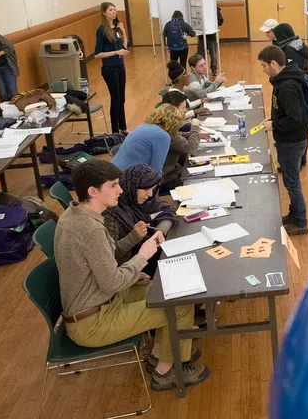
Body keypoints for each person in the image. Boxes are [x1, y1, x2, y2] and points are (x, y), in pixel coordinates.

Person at [54, 159, 209, 391]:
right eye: (114, 185)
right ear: (93, 191)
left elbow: (105, 258)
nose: (120, 190)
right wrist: (142, 256)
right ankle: (168, 371)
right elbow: (111, 282)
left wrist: (134, 250)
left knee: (166, 288)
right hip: (93, 322)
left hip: (99, 302)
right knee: (180, 306)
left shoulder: (76, 214)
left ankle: (160, 354)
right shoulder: (92, 229)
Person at [258, 45, 308, 235]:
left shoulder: (286, 86)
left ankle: (301, 221)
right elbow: (286, 112)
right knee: (290, 180)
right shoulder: (283, 81)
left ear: (273, 63)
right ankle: (294, 214)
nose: (263, 69)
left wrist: (275, 126)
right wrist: (274, 120)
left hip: (292, 141)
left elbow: (295, 118)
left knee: (292, 182)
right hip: (290, 139)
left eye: (264, 66)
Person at [104, 163, 177, 276]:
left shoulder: (140, 200)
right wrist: (133, 237)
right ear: (132, 187)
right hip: (129, 264)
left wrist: (160, 230)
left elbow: (167, 212)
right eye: (146, 189)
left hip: (146, 252)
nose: (150, 194)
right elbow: (110, 255)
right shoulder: (111, 214)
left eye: (152, 189)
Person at [272, 22, 308, 167]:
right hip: (304, 87)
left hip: (293, 90)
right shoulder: (300, 44)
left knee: (294, 120)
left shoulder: (289, 51)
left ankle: (297, 159)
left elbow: (287, 72)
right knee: (303, 122)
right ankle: (303, 157)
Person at [112, 104, 180, 173]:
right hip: (126, 177)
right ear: (174, 123)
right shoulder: (163, 136)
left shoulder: (143, 126)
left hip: (113, 171)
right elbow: (156, 169)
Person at [94, 2, 129, 134]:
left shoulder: (116, 29)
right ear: (104, 13)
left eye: (115, 10)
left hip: (120, 66)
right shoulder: (102, 30)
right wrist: (115, 52)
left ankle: (123, 128)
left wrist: (123, 32)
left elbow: (124, 47)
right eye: (110, 10)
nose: (114, 12)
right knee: (116, 98)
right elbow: (97, 54)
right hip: (109, 68)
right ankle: (115, 131)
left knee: (122, 98)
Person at [160, 105, 202, 192]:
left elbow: (178, 136)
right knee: (199, 181)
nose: (185, 110)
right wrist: (195, 127)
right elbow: (191, 148)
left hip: (171, 170)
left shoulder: (164, 128)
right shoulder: (167, 135)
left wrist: (192, 134)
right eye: (183, 108)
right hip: (167, 177)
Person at [0, 29, 19, 103]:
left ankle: (18, 109)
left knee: (13, 91)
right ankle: (7, 111)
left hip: (7, 66)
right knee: (2, 92)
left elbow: (10, 47)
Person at [196, 7, 223, 76]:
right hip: (202, 35)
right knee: (200, 55)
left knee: (213, 55)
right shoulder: (199, 7)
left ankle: (214, 70)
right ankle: (201, 70)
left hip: (211, 35)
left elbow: (221, 20)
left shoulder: (214, 8)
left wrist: (213, 24)